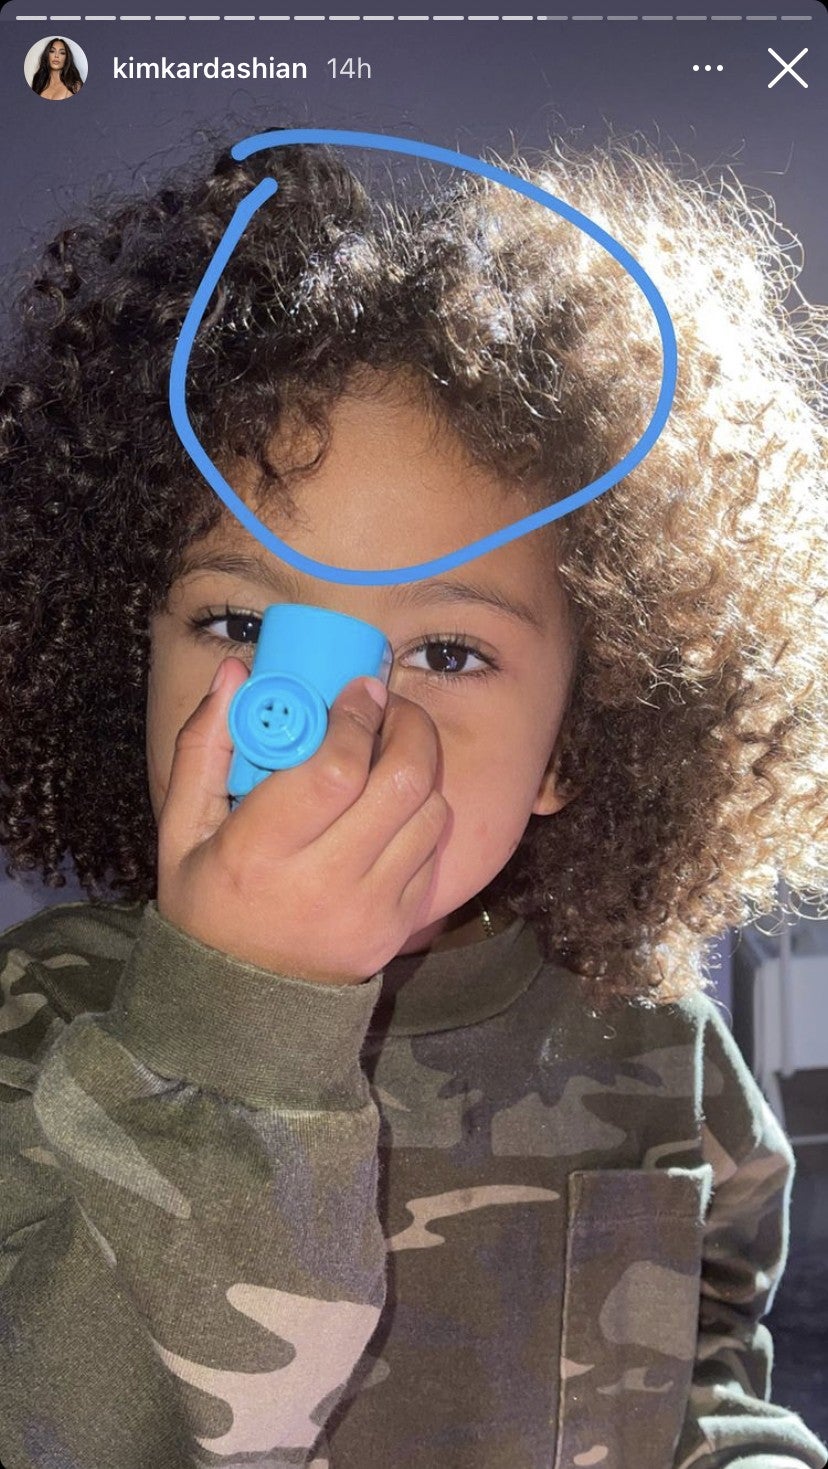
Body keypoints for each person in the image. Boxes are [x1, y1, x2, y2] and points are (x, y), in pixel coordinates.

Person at [0, 127, 826, 1469]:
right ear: (121, 655)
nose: (335, 722)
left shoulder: (653, 1043)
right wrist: (242, 1014)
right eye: (240, 624)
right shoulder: (41, 1018)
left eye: (445, 651)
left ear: (575, 738)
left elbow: (701, 1365)